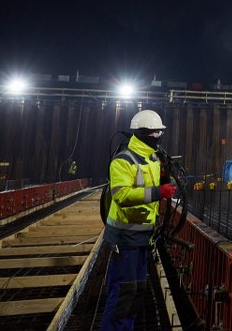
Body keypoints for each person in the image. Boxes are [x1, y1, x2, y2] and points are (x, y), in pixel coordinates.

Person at [101, 109, 176, 331]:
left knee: (135, 292)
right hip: (125, 240)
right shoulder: (123, 160)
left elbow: (154, 187)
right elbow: (121, 195)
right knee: (123, 293)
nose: (158, 137)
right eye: (154, 133)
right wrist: (158, 192)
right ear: (142, 133)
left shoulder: (153, 159)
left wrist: (165, 180)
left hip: (144, 237)